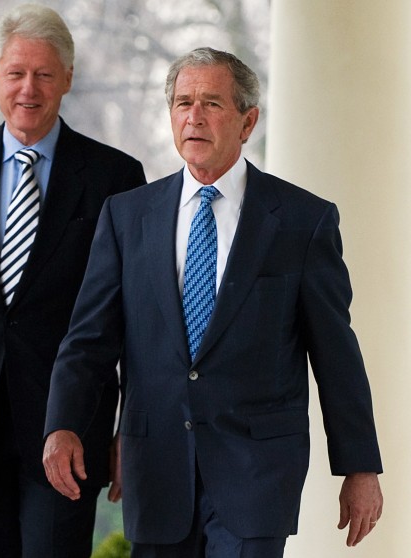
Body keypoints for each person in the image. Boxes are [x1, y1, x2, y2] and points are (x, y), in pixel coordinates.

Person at [43, 47, 383, 557]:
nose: (194, 117)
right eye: (182, 103)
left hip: (256, 475)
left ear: (248, 122)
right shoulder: (127, 216)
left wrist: (360, 466)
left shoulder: (301, 221)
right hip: (155, 467)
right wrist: (63, 424)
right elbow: (89, 339)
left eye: (211, 103)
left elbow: (336, 354)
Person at [0, 4, 145, 557]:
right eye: (17, 72)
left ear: (67, 79)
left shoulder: (114, 178)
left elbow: (134, 322)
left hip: (67, 430)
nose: (30, 88)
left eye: (45, 74)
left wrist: (130, 430)